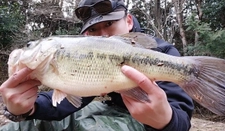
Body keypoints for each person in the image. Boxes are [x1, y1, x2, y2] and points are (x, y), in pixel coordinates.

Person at [0, 0, 194, 130]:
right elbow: (68, 101)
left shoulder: (163, 52)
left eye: (109, 25)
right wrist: (27, 108)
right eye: (94, 29)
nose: (103, 35)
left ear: (128, 21)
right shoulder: (86, 56)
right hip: (111, 108)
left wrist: (165, 120)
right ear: (86, 35)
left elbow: (182, 118)